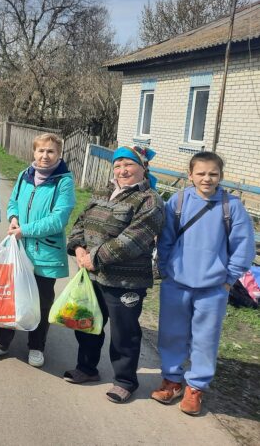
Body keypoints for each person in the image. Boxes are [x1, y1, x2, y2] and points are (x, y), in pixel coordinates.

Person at [152, 152, 255, 415]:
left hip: (213, 289)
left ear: (221, 176)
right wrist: (166, 269)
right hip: (176, 282)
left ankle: (195, 387)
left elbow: (243, 248)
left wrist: (228, 280)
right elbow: (165, 240)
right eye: (201, 173)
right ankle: (172, 380)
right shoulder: (178, 201)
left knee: (205, 340)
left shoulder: (231, 206)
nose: (207, 178)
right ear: (190, 175)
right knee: (171, 334)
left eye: (213, 173)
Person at [64, 145, 164, 404]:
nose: (122, 170)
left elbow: (134, 240)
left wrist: (93, 258)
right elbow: (80, 222)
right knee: (88, 323)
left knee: (124, 332)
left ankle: (125, 381)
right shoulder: (103, 191)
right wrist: (77, 248)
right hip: (92, 276)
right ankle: (87, 368)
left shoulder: (150, 201)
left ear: (143, 168)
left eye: (128, 165)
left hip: (125, 281)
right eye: (118, 165)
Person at [0, 133, 75, 367]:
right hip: (19, 250)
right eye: (41, 151)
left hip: (45, 254)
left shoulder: (64, 181)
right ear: (34, 152)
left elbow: (58, 219)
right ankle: (0, 343)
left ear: (59, 154)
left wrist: (25, 229)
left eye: (50, 151)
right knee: (9, 297)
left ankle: (36, 346)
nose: (45, 156)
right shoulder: (25, 175)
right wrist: (13, 218)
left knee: (41, 303)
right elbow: (13, 202)